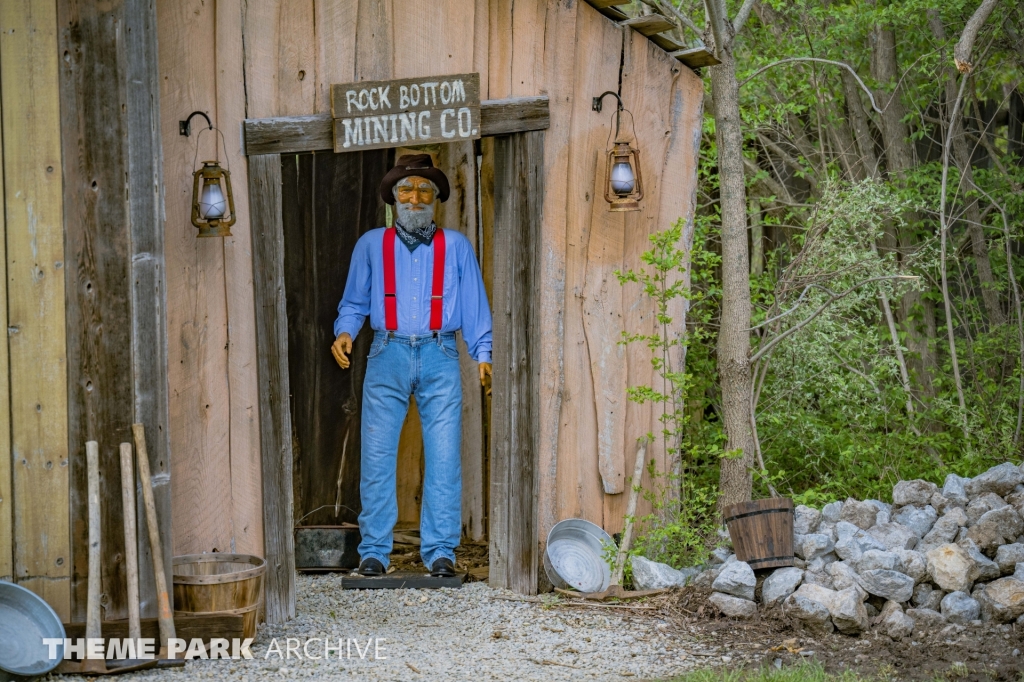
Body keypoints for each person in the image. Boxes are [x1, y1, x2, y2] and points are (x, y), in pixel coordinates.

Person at [331, 154, 492, 578]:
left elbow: (474, 303)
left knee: (444, 455)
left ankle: (440, 551)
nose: (415, 197)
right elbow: (354, 301)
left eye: (424, 189)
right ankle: (374, 552)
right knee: (378, 454)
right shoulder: (371, 245)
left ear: (436, 197)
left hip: (441, 354)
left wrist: (483, 353)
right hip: (388, 354)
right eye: (407, 189)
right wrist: (345, 331)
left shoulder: (456, 246)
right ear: (393, 197)